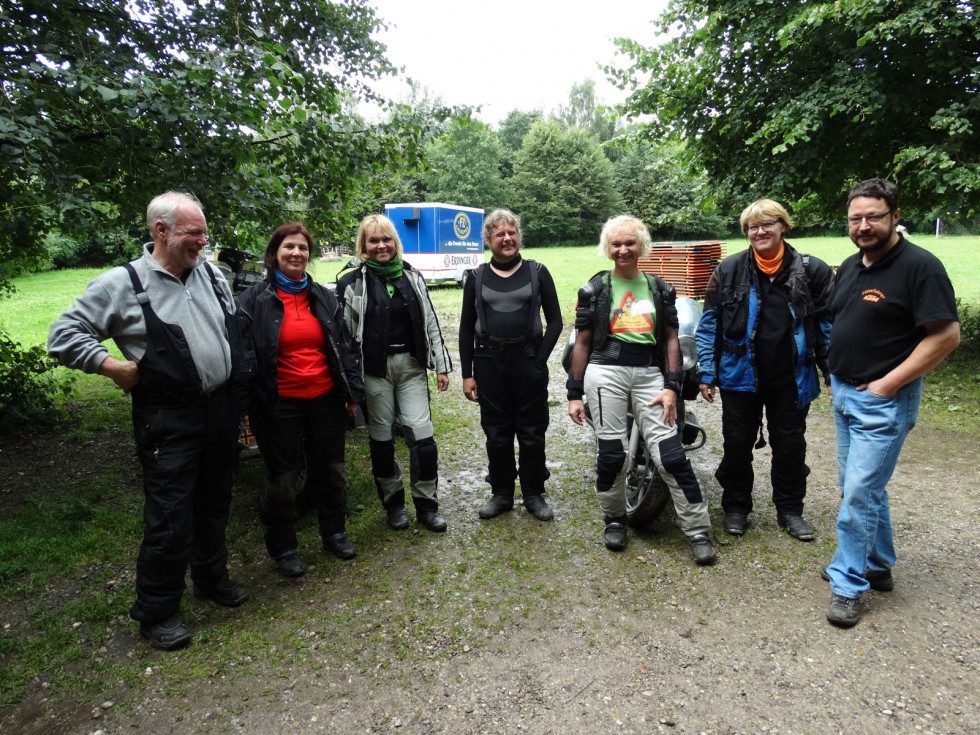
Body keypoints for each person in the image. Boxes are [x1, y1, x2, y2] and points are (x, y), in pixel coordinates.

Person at [47, 192, 249, 651]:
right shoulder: (122, 284)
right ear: (162, 232)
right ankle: (157, 611)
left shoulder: (212, 274)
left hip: (217, 409)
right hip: (168, 417)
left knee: (215, 500)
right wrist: (109, 365)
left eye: (203, 232)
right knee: (171, 516)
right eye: (194, 233)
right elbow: (62, 334)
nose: (203, 241)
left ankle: (211, 579)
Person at [824, 178, 959, 628]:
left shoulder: (920, 267)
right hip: (845, 392)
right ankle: (877, 564)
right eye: (856, 218)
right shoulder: (850, 265)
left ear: (895, 216)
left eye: (874, 216)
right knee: (860, 486)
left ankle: (848, 583)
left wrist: (888, 384)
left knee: (859, 492)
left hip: (883, 401)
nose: (864, 225)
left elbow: (945, 336)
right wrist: (835, 374)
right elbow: (842, 320)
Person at [567, 215, 716, 564]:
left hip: (650, 374)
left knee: (673, 458)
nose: (623, 249)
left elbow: (670, 340)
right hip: (605, 373)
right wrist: (575, 392)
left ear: (641, 246)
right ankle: (615, 519)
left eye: (630, 243)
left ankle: (697, 531)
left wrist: (672, 387)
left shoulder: (660, 289)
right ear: (608, 247)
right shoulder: (594, 289)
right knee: (613, 456)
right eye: (616, 244)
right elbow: (583, 343)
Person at [696, 199, 833, 541]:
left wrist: (832, 373)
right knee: (737, 444)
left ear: (783, 226)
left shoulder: (811, 270)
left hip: (792, 378)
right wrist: (707, 372)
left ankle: (790, 511)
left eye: (767, 224)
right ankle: (736, 508)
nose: (760, 231)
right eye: (753, 227)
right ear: (746, 233)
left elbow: (828, 325)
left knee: (790, 446)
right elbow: (709, 324)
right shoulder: (728, 270)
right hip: (739, 375)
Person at [237, 222, 364, 575]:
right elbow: (244, 357)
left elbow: (345, 348)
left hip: (324, 399)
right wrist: (245, 407)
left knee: (332, 472)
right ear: (275, 253)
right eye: (289, 247)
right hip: (278, 404)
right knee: (283, 479)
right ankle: (284, 547)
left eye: (303, 248)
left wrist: (351, 393)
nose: (297, 253)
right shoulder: (253, 302)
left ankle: (334, 532)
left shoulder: (323, 296)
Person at [337, 214, 452, 532]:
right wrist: (350, 385)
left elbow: (430, 321)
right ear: (364, 246)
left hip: (411, 367)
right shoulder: (351, 284)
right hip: (374, 372)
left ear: (395, 242)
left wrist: (441, 365)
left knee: (423, 439)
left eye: (386, 239)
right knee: (382, 440)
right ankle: (394, 506)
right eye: (373, 240)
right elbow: (344, 339)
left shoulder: (412, 277)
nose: (381, 245)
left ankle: (427, 506)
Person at [459, 209, 563, 521]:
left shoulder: (537, 271)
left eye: (511, 232)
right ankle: (502, 493)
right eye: (499, 234)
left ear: (518, 236)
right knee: (497, 432)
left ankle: (533, 493)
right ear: (488, 240)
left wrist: (539, 359)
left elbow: (556, 320)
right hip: (489, 362)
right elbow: (466, 328)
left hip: (527, 361)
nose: (507, 238)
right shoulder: (476, 278)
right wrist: (467, 374)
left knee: (532, 430)